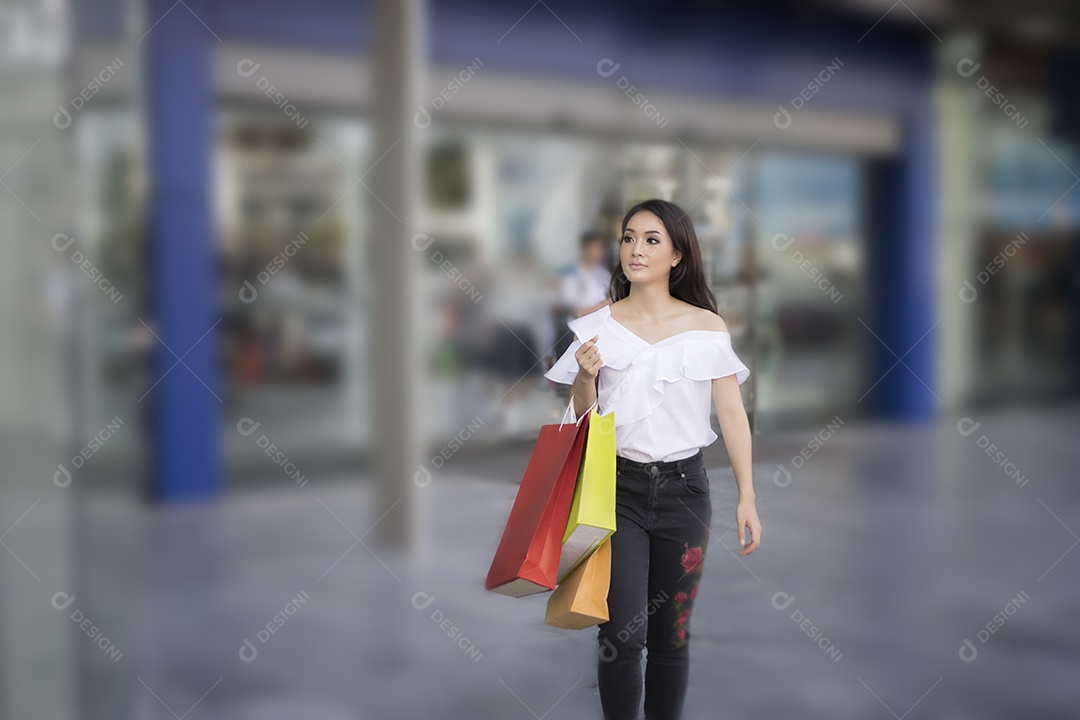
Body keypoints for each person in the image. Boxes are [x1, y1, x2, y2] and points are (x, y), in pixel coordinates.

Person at [543, 198, 761, 720]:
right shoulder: (596, 326)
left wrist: (748, 496)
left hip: (686, 492)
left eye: (651, 239)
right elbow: (583, 419)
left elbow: (731, 416)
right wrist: (587, 376)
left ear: (678, 257)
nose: (636, 249)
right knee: (620, 632)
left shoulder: (707, 327)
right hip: (616, 490)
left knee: (672, 634)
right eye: (629, 237)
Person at [551, 231, 614, 361]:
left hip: (596, 332)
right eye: (594, 249)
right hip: (572, 333)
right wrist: (606, 304)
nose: (597, 253)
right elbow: (577, 311)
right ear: (583, 249)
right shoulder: (570, 273)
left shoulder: (603, 274)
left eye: (600, 249)